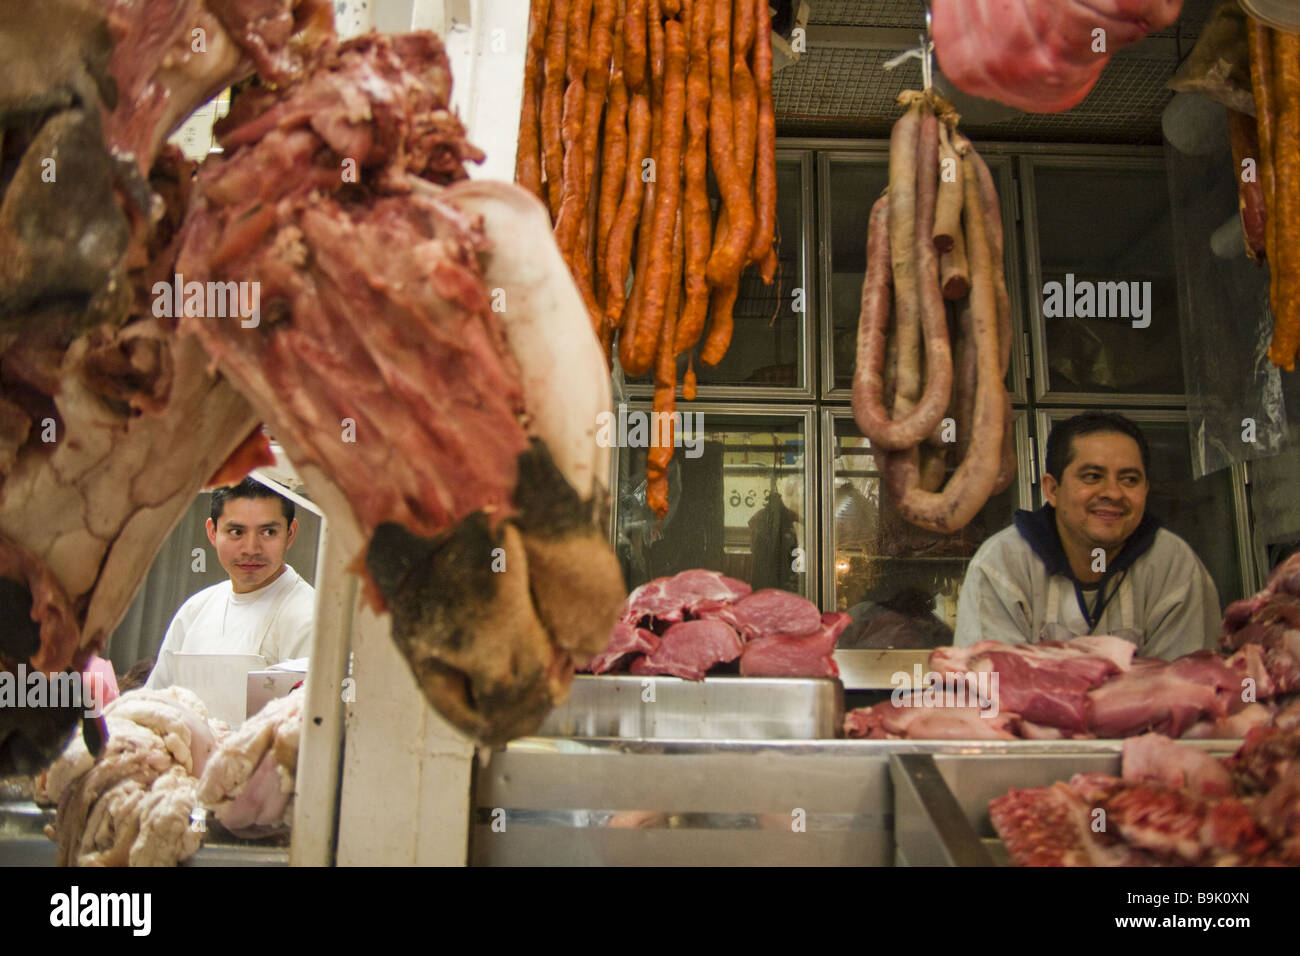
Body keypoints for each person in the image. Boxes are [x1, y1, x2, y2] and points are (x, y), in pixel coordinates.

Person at [953, 412, 1220, 660]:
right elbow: (990, 688)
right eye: (1093, 476)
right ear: (1053, 489)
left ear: (1146, 490)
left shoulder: (1173, 564)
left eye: (1129, 480)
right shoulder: (1002, 564)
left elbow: (1186, 687)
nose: (1113, 493)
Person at [146, 478, 315, 690]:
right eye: (236, 532)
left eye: (268, 532)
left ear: (290, 534)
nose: (251, 549)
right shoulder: (194, 610)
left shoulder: (310, 617)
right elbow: (154, 703)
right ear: (212, 532)